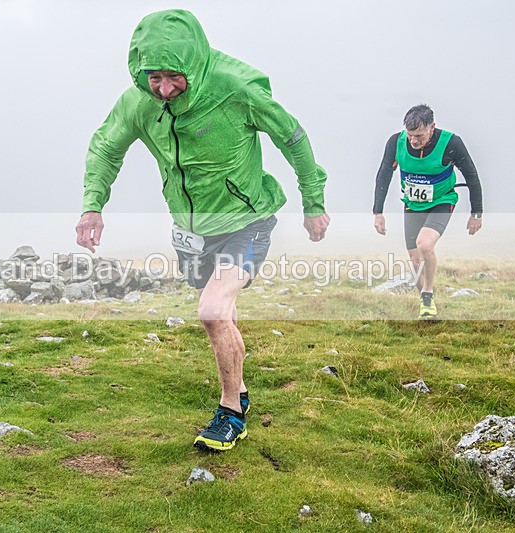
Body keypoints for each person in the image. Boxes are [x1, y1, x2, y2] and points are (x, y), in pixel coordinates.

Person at [75, 10, 329, 451]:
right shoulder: (139, 101)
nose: (166, 88)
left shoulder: (235, 88)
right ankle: (241, 387)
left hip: (246, 222)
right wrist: (92, 206)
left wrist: (314, 202)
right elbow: (105, 147)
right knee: (220, 314)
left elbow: (293, 136)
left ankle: (231, 410)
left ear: (194, 65)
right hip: (190, 231)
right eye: (155, 77)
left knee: (212, 309)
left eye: (175, 76)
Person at [373, 104, 483, 319]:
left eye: (419, 135)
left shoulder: (451, 143)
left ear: (432, 127)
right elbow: (384, 174)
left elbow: (471, 175)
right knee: (414, 260)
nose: (414, 140)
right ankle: (426, 302)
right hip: (413, 204)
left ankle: (428, 291)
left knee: (425, 244)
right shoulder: (396, 142)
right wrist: (378, 211)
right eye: (410, 135)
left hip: (442, 201)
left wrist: (476, 213)